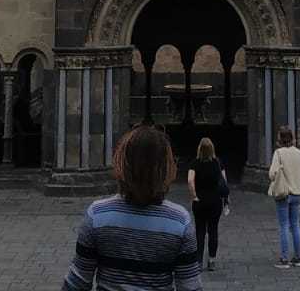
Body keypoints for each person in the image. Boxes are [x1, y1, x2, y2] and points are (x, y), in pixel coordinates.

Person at [62, 124, 201, 291]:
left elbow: (76, 283)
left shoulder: (97, 215)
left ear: (122, 163)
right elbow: (190, 287)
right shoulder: (179, 222)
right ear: (166, 167)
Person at [266, 125, 300, 270]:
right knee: (295, 225)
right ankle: (297, 257)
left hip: (284, 193)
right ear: (292, 138)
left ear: (280, 139)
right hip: (297, 193)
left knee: (284, 226)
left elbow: (272, 174)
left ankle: (284, 259)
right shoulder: (299, 153)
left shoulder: (279, 153)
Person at [185, 136, 227, 272]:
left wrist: (194, 196)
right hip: (215, 202)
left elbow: (190, 181)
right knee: (213, 230)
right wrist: (225, 198)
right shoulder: (218, 163)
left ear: (199, 149)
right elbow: (224, 182)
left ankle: (198, 262)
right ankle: (212, 260)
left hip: (200, 202)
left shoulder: (195, 163)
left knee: (200, 231)